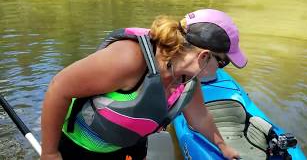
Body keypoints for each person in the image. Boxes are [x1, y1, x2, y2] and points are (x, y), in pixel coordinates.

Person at [40, 8, 247, 160]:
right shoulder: (128, 59)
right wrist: (50, 153)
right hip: (80, 148)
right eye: (223, 63)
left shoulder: (188, 80)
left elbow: (200, 117)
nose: (221, 70)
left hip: (131, 146)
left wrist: (223, 147)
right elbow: (59, 88)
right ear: (203, 57)